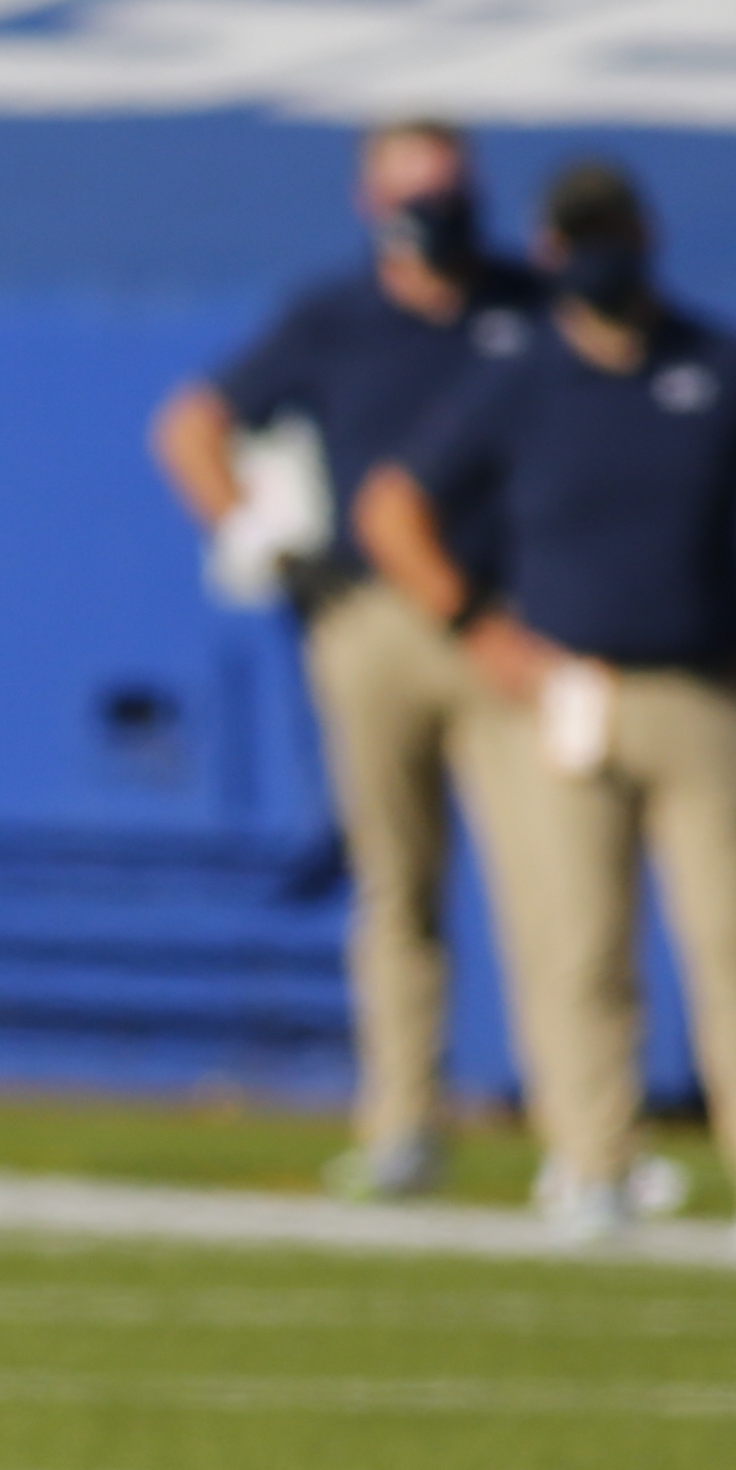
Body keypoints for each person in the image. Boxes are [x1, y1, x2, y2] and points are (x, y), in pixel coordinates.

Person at [361, 160, 736, 1263]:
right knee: (576, 942)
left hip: (709, 687)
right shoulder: (520, 371)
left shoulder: (721, 361)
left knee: (735, 944)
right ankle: (591, 1161)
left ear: (646, 234)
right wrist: (482, 630)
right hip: (567, 691)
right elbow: (395, 507)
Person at [149, 121, 546, 1201]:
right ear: (370, 202)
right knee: (396, 879)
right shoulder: (336, 315)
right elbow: (191, 425)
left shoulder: (522, 306)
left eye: (450, 186)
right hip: (367, 616)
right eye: (413, 189)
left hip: (510, 622)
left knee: (549, 879)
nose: (438, 209)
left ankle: (579, 1128)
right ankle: (404, 1121)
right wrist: (249, 527)